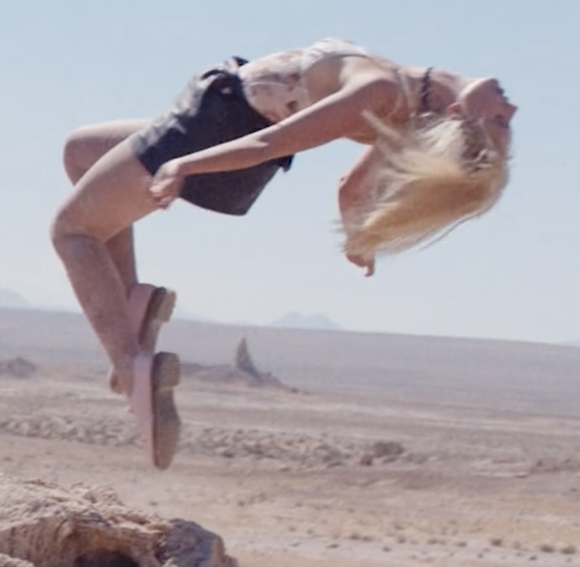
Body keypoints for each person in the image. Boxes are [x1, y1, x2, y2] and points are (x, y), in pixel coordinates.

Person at [49, 38, 518, 470]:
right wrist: (361, 240)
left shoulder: (378, 92)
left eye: (500, 121)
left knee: (71, 232)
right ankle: (130, 307)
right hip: (219, 123)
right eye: (507, 115)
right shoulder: (402, 105)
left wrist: (186, 165)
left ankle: (134, 374)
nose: (511, 104)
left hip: (216, 131)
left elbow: (266, 143)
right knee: (81, 151)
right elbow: (350, 187)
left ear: (459, 114)